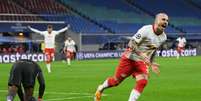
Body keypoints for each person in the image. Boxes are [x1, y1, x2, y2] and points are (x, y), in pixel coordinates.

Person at [94, 13, 169, 101]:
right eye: (163, 19)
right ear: (156, 21)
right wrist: (141, 54)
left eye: (167, 20)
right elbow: (131, 43)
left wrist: (151, 63)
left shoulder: (163, 37)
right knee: (115, 82)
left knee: (143, 81)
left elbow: (154, 50)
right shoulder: (146, 30)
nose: (166, 22)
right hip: (129, 58)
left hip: (141, 62)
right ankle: (100, 88)